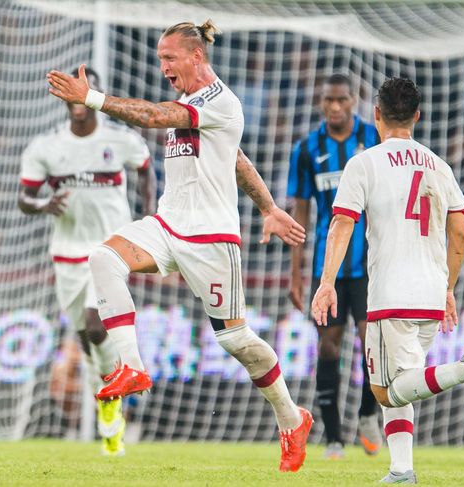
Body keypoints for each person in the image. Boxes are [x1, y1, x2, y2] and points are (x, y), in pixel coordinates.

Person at [46, 20, 312, 472]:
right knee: (104, 257)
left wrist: (90, 98)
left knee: (235, 340)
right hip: (169, 224)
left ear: (196, 57)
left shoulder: (219, 100)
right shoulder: (192, 101)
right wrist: (268, 206)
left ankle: (291, 417)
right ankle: (131, 366)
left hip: (212, 239)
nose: (163, 66)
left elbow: (153, 117)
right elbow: (237, 159)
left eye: (170, 58)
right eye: (160, 58)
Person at [311, 77, 464, 484]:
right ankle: (401, 470)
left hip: (391, 294)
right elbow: (461, 232)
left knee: (387, 390)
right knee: (402, 381)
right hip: (431, 292)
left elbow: (341, 225)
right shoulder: (439, 165)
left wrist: (326, 281)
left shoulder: (364, 162)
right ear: (417, 117)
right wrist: (449, 288)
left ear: (377, 114)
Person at [19, 66, 156, 456]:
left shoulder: (119, 139)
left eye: (86, 88)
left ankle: (111, 403)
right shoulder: (45, 148)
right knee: (84, 334)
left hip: (107, 248)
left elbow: (145, 170)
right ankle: (110, 402)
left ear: (94, 94)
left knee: (97, 328)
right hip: (66, 253)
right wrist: (44, 204)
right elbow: (24, 198)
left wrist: (147, 221)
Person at [287, 74, 381, 459]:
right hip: (329, 267)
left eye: (342, 99)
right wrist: (296, 273)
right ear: (320, 102)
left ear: (355, 100)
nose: (336, 107)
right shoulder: (308, 148)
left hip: (370, 263)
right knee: (328, 345)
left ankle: (368, 414)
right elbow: (302, 212)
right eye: (329, 100)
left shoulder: (374, 140)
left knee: (371, 340)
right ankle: (333, 436)